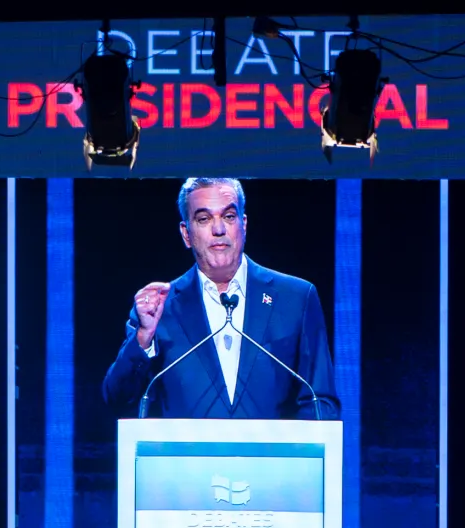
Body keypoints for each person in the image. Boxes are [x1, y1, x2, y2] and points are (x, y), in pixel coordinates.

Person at [102, 177, 336, 420]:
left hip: (273, 458)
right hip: (184, 458)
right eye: (204, 219)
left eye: (229, 217)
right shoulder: (161, 308)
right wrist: (143, 339)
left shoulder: (296, 299)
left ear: (243, 225)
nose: (218, 229)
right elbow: (119, 400)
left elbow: (320, 403)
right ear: (186, 234)